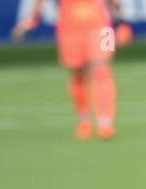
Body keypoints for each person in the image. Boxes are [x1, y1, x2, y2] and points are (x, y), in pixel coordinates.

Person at [11, 0, 129, 140]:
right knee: (77, 73)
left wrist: (121, 22)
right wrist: (32, 19)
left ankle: (105, 123)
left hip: (102, 25)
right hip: (69, 26)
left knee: (102, 71)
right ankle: (83, 120)